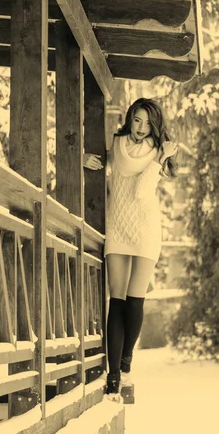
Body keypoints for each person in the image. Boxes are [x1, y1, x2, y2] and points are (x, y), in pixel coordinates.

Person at [84, 98, 178, 402]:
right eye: (137, 120)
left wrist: (159, 159)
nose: (141, 128)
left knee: (136, 300)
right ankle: (113, 376)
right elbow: (106, 164)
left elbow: (141, 192)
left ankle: (126, 364)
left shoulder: (158, 152)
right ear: (129, 119)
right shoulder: (117, 144)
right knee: (117, 299)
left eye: (148, 123)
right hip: (119, 229)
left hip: (147, 228)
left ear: (155, 125)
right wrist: (84, 159)